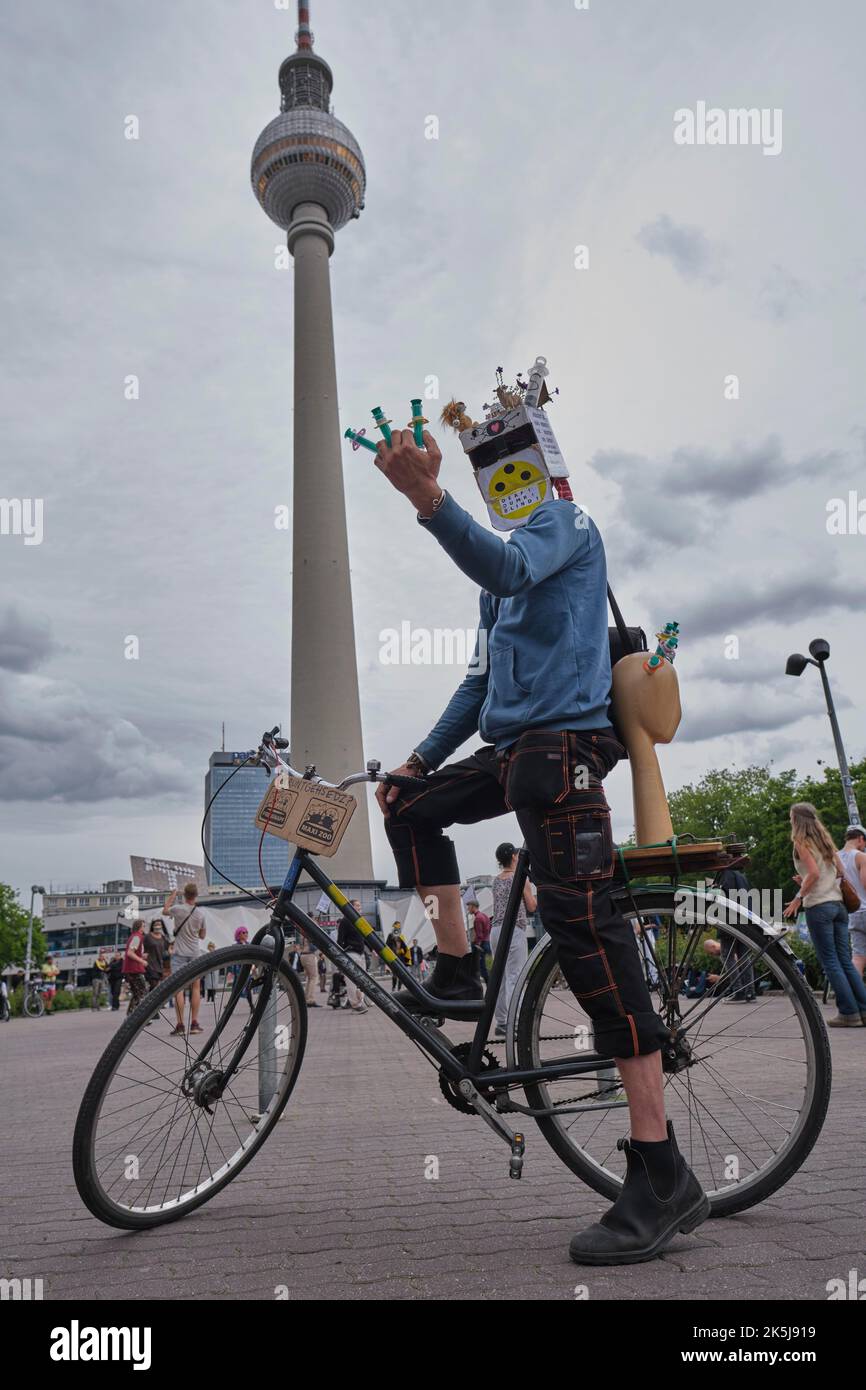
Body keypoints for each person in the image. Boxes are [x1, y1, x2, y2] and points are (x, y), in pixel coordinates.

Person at [372, 379, 709, 1265]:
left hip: (560, 756)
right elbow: (479, 685)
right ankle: (455, 966)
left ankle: (659, 1169)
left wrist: (427, 502)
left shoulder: (568, 526)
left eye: (508, 461)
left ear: (541, 463)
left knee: (590, 941)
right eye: (489, 469)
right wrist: (416, 759)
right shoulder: (498, 582)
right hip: (515, 751)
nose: (502, 479)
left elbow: (509, 565)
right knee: (408, 805)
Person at [783, 802, 866, 1027]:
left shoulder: (801, 842)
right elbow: (838, 871)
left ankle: (848, 1013)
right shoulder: (826, 842)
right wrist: (810, 881)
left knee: (831, 962)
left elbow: (814, 873)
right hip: (839, 905)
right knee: (845, 962)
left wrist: (799, 897)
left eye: (791, 817)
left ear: (796, 820)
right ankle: (863, 1010)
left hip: (819, 907)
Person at [489, 844, 536, 1037]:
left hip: (496, 930)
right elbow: (531, 906)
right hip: (514, 928)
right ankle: (516, 1023)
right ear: (515, 857)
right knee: (515, 976)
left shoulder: (495, 881)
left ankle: (501, 1022)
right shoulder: (519, 878)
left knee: (499, 977)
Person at [162, 882, 207, 1035]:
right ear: (196, 895)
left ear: (184, 895)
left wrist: (173, 895)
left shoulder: (178, 909)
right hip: (194, 952)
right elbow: (202, 935)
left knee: (179, 989)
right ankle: (194, 1024)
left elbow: (165, 911)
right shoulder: (200, 914)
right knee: (195, 987)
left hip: (179, 953)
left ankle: (180, 1025)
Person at [714, 866, 756, 1003]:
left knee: (727, 955)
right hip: (745, 918)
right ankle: (750, 991)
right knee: (744, 956)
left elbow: (724, 897)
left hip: (730, 919)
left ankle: (738, 991)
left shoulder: (725, 875)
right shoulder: (741, 875)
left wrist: (714, 888)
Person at [839, 824, 866, 978]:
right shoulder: (861, 857)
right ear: (860, 838)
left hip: (852, 914)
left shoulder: (835, 857)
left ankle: (856, 996)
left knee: (858, 957)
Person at [337, 904, 369, 1013]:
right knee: (351, 980)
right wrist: (340, 957)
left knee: (363, 979)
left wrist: (372, 949)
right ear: (351, 907)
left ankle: (360, 1000)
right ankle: (355, 1004)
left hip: (361, 953)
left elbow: (365, 937)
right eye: (357, 906)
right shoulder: (345, 921)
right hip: (350, 953)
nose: (360, 908)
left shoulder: (360, 921)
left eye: (360, 906)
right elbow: (339, 940)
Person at [122, 921, 149, 1015]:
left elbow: (132, 952)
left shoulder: (133, 936)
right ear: (139, 927)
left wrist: (141, 956)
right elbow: (130, 953)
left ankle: (130, 1015)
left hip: (130, 969)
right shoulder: (137, 937)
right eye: (143, 926)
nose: (144, 928)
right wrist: (142, 961)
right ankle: (137, 1015)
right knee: (142, 991)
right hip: (134, 969)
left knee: (137, 993)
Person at [466, 900, 492, 983]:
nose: (468, 909)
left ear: (473, 906)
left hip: (481, 945)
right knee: (484, 966)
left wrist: (476, 944)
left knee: (480, 967)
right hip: (487, 942)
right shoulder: (484, 916)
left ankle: (489, 985)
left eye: (469, 906)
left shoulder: (478, 918)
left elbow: (479, 936)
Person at [144, 921, 166, 994]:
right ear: (152, 926)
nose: (157, 926)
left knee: (155, 987)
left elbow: (166, 950)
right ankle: (155, 1004)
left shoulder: (163, 937)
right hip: (150, 963)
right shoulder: (147, 936)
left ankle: (148, 1002)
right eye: (156, 925)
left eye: (159, 925)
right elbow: (141, 947)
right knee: (154, 985)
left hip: (160, 964)